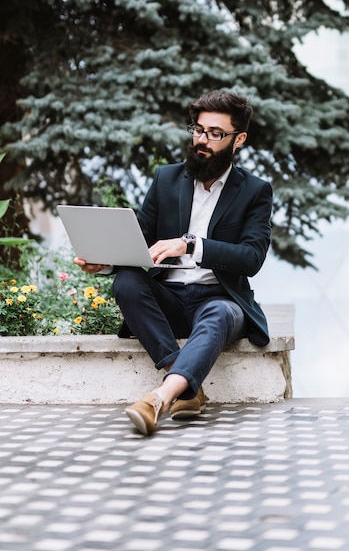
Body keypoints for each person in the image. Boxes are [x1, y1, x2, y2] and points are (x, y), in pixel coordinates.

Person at [74, 89, 273, 435]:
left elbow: (251, 258)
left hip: (219, 300)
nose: (202, 140)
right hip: (169, 299)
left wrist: (190, 244)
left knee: (221, 313)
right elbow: (137, 242)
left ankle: (159, 399)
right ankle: (189, 389)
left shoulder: (255, 191)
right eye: (198, 129)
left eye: (215, 133)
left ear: (238, 139)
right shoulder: (166, 178)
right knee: (126, 282)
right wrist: (103, 263)